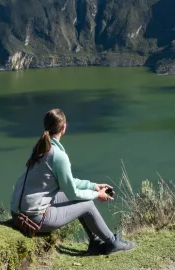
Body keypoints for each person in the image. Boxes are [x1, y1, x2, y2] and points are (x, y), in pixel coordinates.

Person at [9, 108, 136, 255]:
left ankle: (95, 242)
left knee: (80, 196)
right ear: (64, 128)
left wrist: (93, 186)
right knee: (87, 204)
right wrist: (96, 195)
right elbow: (72, 193)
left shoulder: (39, 148)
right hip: (33, 219)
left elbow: (67, 182)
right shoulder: (58, 155)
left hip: (18, 213)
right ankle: (112, 242)